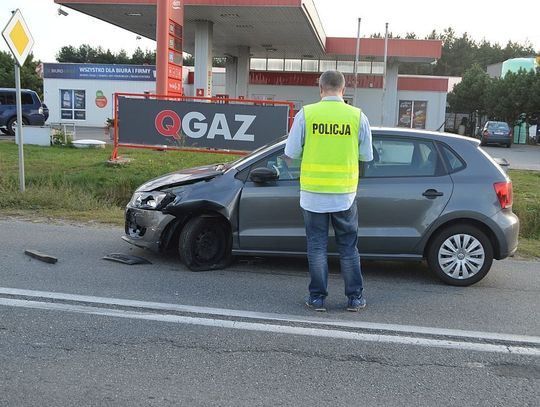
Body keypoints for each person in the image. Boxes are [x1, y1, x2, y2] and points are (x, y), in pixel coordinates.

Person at [284, 70, 373, 312]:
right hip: (344, 195)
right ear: (343, 90)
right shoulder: (357, 116)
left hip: (313, 194)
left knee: (316, 247)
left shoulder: (307, 114)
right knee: (348, 247)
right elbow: (366, 155)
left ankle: (317, 298)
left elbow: (290, 152)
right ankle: (355, 298)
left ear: (320, 89)